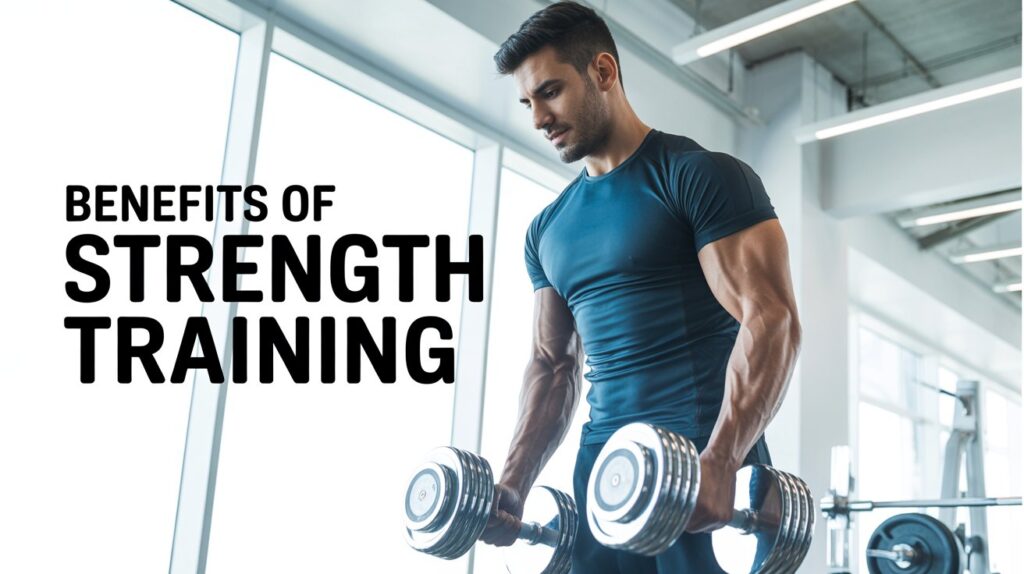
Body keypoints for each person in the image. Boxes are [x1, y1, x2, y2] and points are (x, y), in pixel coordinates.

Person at [479, 2, 802, 573]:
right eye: (528, 102)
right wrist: (513, 482)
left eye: (550, 92)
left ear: (602, 72)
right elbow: (553, 366)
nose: (538, 118)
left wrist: (723, 459)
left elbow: (770, 317)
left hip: (701, 463)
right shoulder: (547, 230)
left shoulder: (699, 176)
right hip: (604, 477)